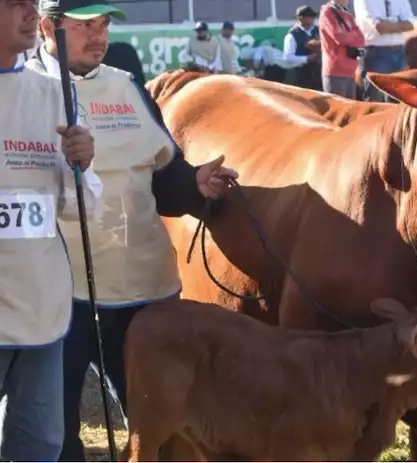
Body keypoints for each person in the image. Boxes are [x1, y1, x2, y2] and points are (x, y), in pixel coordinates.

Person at [28, 0, 239, 460]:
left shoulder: (126, 85)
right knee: (55, 433)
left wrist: (195, 182)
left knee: (161, 423)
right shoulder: (23, 92)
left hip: (147, 287)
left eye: (103, 24)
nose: (99, 35)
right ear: (47, 25)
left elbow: (164, 175)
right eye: (85, 26)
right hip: (62, 294)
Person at [0, 0, 101, 460]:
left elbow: (84, 206)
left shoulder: (55, 93)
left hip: (43, 312)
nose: (27, 14)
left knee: (39, 445)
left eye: (30, 4)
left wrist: (82, 163)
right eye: (14, 4)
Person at [354, 0, 414, 102]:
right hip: (376, 53)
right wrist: (398, 22)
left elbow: (411, 25)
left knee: (399, 100)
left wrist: (387, 23)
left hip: (398, 52)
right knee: (374, 100)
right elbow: (379, 27)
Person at [318, 0, 365, 98]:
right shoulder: (327, 12)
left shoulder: (347, 15)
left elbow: (361, 39)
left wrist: (350, 36)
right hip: (335, 71)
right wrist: (354, 36)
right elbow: (339, 37)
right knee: (337, 110)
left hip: (351, 71)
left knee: (350, 110)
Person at [283, 5, 322, 90]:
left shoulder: (318, 30)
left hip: (318, 72)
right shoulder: (292, 35)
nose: (313, 19)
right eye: (310, 17)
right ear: (301, 19)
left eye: (313, 17)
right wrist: (306, 59)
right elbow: (287, 57)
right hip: (301, 73)